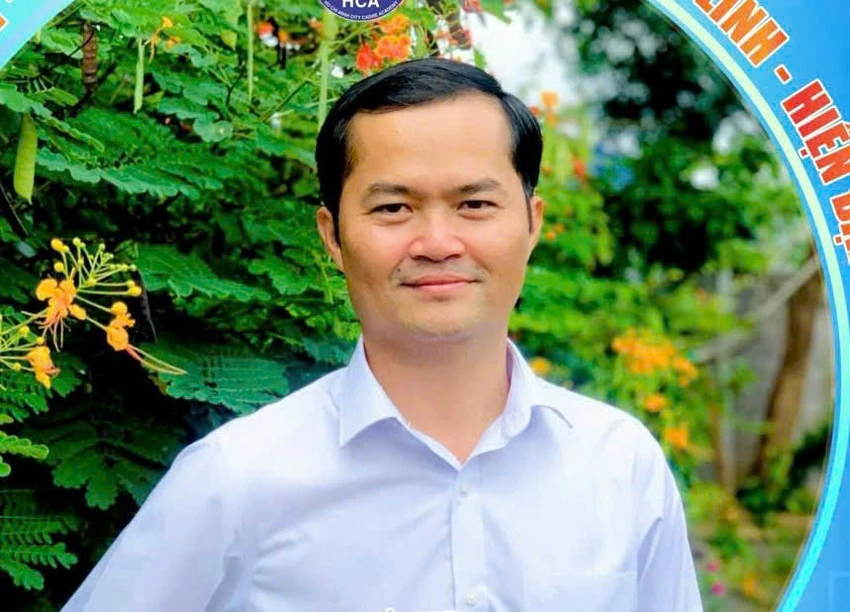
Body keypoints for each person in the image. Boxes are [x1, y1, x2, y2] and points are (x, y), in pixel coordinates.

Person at [61, 57, 703, 612]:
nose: (438, 243)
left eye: (475, 204)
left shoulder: (619, 465)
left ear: (532, 224)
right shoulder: (237, 478)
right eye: (393, 207)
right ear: (333, 236)